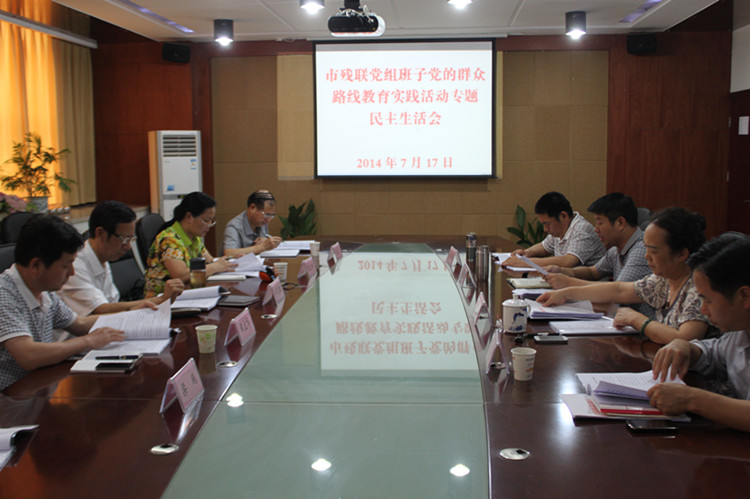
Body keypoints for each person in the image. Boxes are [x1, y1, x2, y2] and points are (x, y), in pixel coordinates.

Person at [537, 207, 717, 344]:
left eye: (653, 251)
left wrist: (638, 320)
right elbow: (619, 290)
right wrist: (565, 293)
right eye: (646, 249)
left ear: (681, 254)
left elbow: (684, 339)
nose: (646, 257)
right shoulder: (663, 280)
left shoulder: (698, 289)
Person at [0, 215, 125, 391]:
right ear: (36, 265)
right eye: (66, 266)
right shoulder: (4, 294)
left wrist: (133, 316)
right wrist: (88, 341)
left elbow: (79, 323)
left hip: (38, 389)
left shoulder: (44, 292)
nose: (72, 273)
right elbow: (28, 356)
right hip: (10, 398)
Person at [649, 233, 750, 432]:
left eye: (708, 300)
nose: (703, 310)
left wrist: (693, 400)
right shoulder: (740, 330)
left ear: (744, 296)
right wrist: (687, 348)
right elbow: (715, 353)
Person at [58, 201, 184, 315]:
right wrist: (161, 300)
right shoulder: (74, 265)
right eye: (124, 239)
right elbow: (100, 309)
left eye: (130, 239)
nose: (128, 247)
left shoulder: (103, 258)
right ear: (100, 233)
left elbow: (112, 304)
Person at [544, 192, 651, 289]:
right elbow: (592, 272)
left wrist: (568, 282)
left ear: (620, 223)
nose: (596, 229)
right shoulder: (615, 250)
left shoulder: (641, 250)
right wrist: (562, 271)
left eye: (600, 223)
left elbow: (618, 291)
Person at [144, 192, 235, 297]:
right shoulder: (169, 239)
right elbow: (181, 275)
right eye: (206, 220)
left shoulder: (194, 237)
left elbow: (209, 261)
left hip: (187, 291)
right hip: (162, 298)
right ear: (189, 217)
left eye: (212, 220)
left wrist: (228, 261)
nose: (209, 225)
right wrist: (215, 267)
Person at [502, 191, 605, 269]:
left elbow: (568, 262)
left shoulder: (582, 230)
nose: (545, 229)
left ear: (563, 216)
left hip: (590, 287)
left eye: (547, 224)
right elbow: (545, 247)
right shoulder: (560, 228)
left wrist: (526, 263)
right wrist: (527, 252)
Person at [223, 190, 282, 257]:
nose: (268, 220)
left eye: (272, 216)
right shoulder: (233, 226)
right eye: (266, 215)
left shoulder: (262, 221)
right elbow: (229, 253)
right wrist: (262, 247)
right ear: (252, 208)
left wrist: (264, 241)